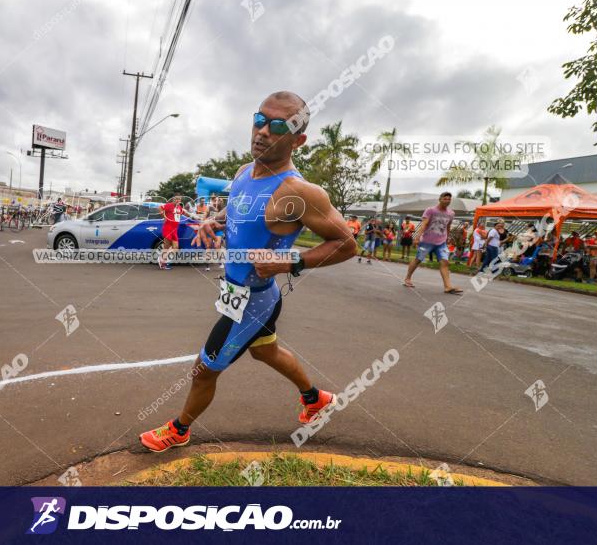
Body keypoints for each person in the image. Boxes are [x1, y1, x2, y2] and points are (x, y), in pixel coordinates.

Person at [139, 91, 357, 452]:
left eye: (276, 126)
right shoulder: (243, 173)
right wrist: (214, 220)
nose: (262, 132)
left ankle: (179, 430)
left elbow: (347, 244)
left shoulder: (299, 192)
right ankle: (314, 398)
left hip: (252, 301)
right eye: (259, 120)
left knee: (204, 368)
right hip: (241, 293)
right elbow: (238, 211)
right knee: (266, 351)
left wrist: (292, 261)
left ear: (298, 140)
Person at [403, 192, 462, 293]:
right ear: (440, 199)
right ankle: (407, 278)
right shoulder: (430, 210)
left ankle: (448, 286)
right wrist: (417, 237)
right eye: (445, 198)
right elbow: (424, 224)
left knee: (445, 262)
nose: (447, 201)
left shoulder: (451, 213)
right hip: (427, 241)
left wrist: (447, 238)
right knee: (418, 259)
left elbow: (447, 226)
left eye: (449, 199)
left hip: (441, 242)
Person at [159, 193, 189, 270]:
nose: (177, 200)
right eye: (176, 199)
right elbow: (160, 208)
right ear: (173, 199)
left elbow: (185, 213)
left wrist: (194, 216)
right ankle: (163, 263)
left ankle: (162, 259)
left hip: (174, 229)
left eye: (179, 199)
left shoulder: (179, 207)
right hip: (168, 228)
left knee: (175, 247)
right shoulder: (169, 205)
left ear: (180, 200)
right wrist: (163, 216)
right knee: (166, 246)